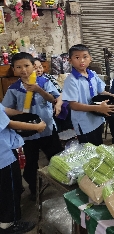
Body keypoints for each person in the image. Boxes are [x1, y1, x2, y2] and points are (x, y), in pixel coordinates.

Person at [2, 52, 63, 200]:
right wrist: (21, 114)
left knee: (56, 156)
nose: (23, 70)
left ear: (33, 66)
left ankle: (62, 181)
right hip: (28, 133)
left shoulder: (43, 82)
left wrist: (38, 90)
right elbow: (5, 109)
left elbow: (53, 99)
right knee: (30, 163)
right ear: (14, 69)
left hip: (47, 128)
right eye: (19, 67)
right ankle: (34, 188)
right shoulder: (13, 88)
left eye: (27, 65)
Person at [62, 44, 114, 146]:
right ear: (70, 60)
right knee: (89, 149)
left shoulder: (92, 74)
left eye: (85, 57)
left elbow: (100, 91)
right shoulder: (71, 80)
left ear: (90, 59)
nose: (82, 60)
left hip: (97, 119)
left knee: (98, 144)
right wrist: (97, 108)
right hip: (84, 123)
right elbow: (73, 105)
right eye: (77, 57)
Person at [0, 103, 46, 234]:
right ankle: (8, 224)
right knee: (10, 189)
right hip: (3, 156)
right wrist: (37, 126)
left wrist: (22, 112)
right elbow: (9, 124)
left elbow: (3, 110)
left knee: (5, 187)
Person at [34, 59, 73, 132]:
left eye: (40, 67)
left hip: (56, 101)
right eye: (35, 68)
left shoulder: (48, 77)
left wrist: (58, 104)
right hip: (43, 106)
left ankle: (68, 134)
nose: (39, 70)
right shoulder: (28, 82)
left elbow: (60, 93)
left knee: (67, 107)